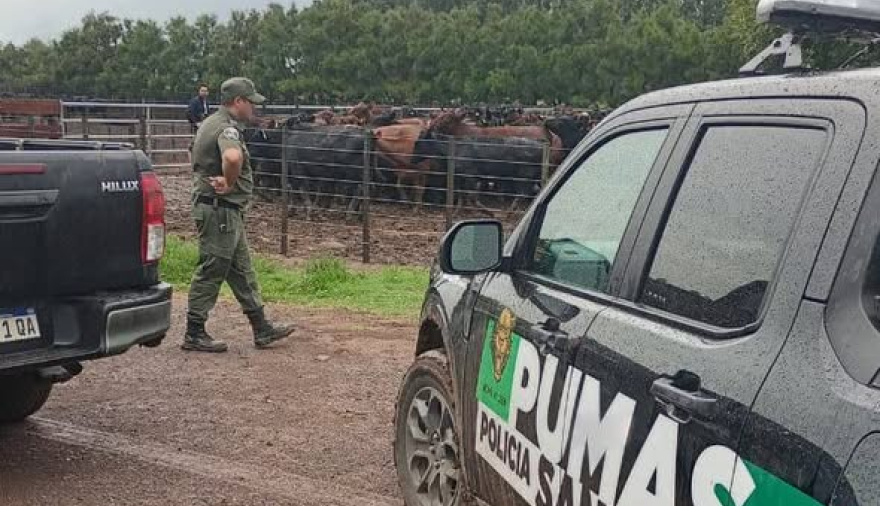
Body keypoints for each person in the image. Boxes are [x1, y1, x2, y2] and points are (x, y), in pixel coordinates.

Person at [183, 77, 294, 353]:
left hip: (223, 211)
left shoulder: (209, 122)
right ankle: (194, 331)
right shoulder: (226, 129)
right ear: (239, 102)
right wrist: (230, 182)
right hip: (220, 210)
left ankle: (261, 327)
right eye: (251, 103)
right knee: (213, 267)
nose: (254, 110)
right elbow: (232, 158)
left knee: (241, 269)